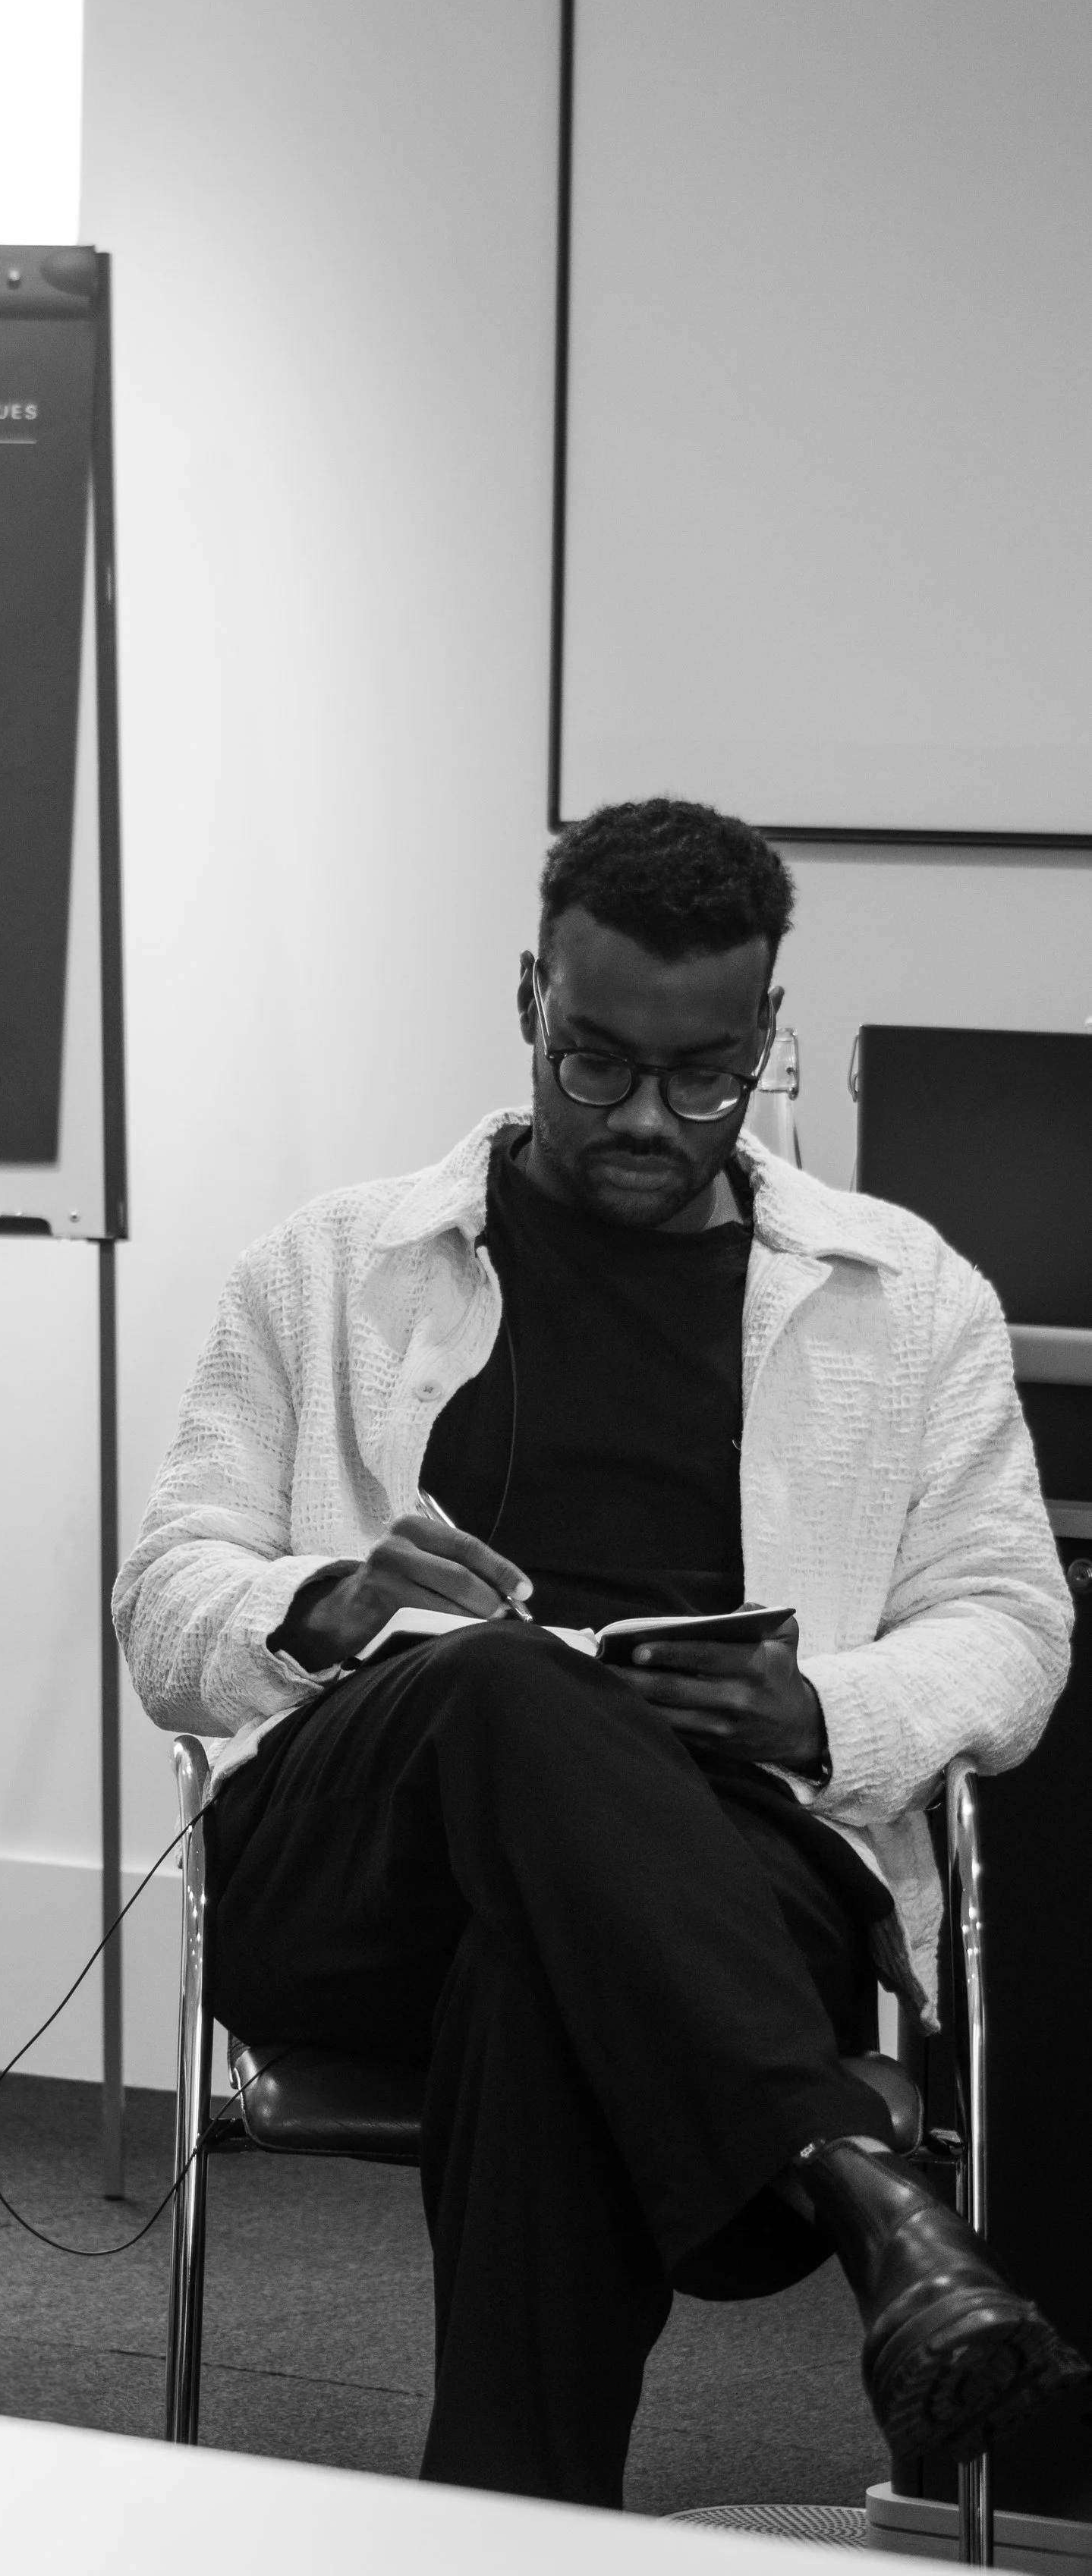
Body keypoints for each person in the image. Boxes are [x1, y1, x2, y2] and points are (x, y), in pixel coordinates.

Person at [113, 796, 1082, 2508]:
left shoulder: (901, 1294)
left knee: (543, 1971)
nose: (645, 1115)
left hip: (720, 1870)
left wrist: (820, 1710)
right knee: (494, 1682)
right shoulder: (329, 1268)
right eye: (594, 1066)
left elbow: (1008, 1621)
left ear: (766, 1039)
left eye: (701, 1074)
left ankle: (507, 2525)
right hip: (356, 1876)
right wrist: (324, 1604)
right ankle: (857, 2184)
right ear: (525, 1004)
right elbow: (163, 1601)